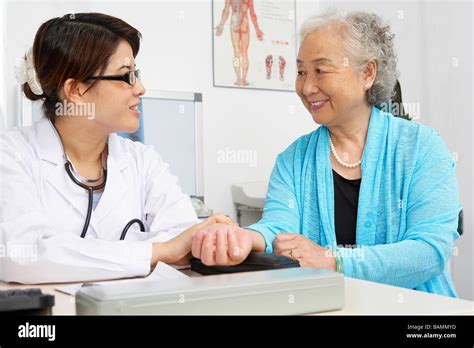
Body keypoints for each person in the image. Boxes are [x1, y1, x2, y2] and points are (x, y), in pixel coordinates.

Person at [191, 10, 462, 297]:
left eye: (320, 70)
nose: (307, 87)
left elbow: (428, 251)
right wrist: (247, 237)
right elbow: (278, 227)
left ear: (367, 73)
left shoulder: (421, 147)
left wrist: (332, 261)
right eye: (301, 72)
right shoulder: (293, 160)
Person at [0, 13, 232, 284]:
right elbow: (22, 253)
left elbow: (184, 237)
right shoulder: (13, 154)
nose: (141, 88)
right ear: (75, 90)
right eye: (126, 76)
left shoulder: (142, 161)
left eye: (137, 74)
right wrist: (156, 251)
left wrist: (67, 255)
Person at [215, 0, 264, 86]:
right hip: (245, 23)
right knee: (244, 53)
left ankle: (238, 79)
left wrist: (221, 25)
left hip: (234, 22)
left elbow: (226, 10)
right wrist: (257, 30)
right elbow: (252, 13)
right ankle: (244, 79)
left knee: (236, 52)